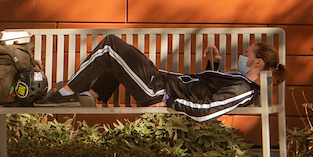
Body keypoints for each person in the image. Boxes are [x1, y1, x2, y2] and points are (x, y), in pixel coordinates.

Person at [37, 34, 288, 122]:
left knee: (111, 47)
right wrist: (215, 65)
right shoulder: (239, 80)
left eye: (246, 55)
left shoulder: (244, 89)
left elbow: (207, 108)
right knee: (120, 57)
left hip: (159, 91)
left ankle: (66, 94)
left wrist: (169, 102)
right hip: (160, 83)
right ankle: (89, 96)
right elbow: (205, 88)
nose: (242, 57)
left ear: (258, 62)